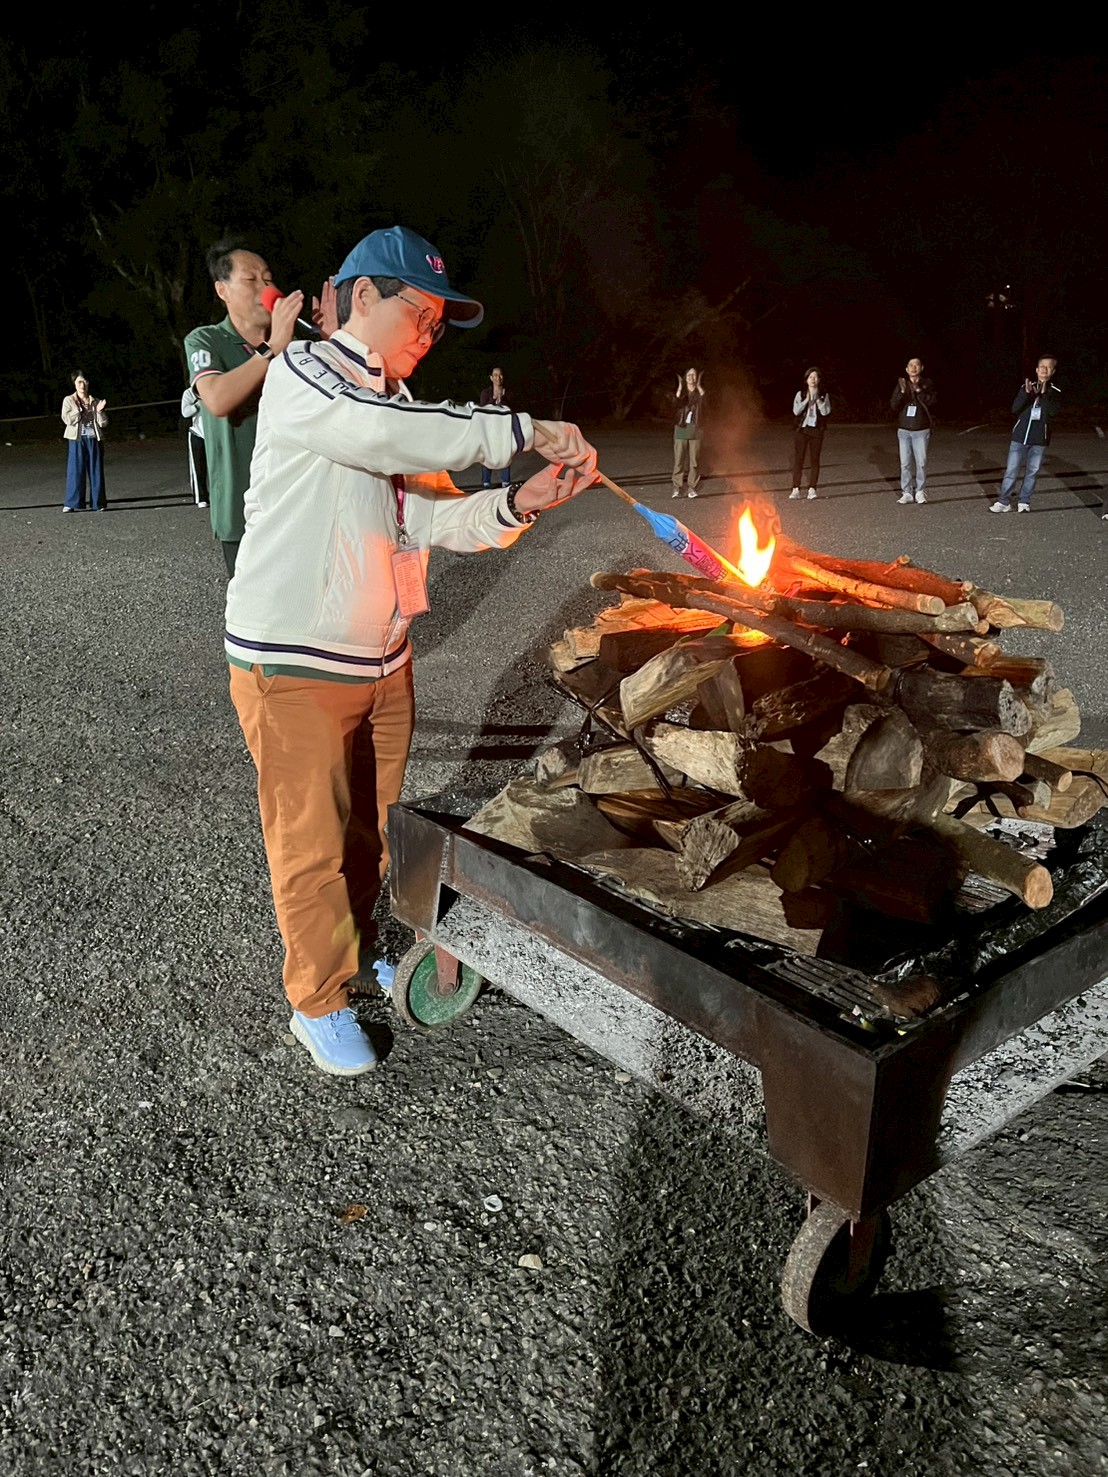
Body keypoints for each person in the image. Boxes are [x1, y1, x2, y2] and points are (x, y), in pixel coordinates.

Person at [224, 225, 597, 1078]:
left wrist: (521, 500)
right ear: (363, 296)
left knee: (371, 831)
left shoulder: (392, 405)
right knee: (311, 841)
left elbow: (427, 517)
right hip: (295, 661)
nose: (428, 334)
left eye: (437, 323)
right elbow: (381, 435)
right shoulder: (306, 373)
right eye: (419, 314)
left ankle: (356, 955)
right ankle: (317, 999)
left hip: (384, 660)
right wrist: (522, 428)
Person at [183, 240, 304, 575]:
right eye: (251, 280)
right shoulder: (206, 340)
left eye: (268, 279)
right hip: (241, 510)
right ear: (222, 290)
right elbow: (217, 399)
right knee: (252, 606)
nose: (265, 288)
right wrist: (271, 349)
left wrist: (332, 339)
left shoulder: (297, 347)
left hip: (297, 504)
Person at [989, 357, 1062, 514]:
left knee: (1032, 472)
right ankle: (1004, 502)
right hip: (1019, 437)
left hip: (1039, 440)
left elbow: (1053, 412)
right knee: (1011, 471)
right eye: (1041, 366)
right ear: (1036, 370)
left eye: (1048, 367)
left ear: (1053, 371)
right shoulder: (1026, 387)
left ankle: (1024, 501)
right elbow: (1014, 409)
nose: (1044, 369)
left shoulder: (1055, 391)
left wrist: (1044, 395)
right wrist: (1026, 394)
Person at [890, 357, 937, 505]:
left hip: (921, 429)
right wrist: (902, 392)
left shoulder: (927, 384)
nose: (913, 367)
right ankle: (907, 493)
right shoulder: (902, 384)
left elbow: (933, 402)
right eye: (910, 365)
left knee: (921, 462)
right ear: (906, 369)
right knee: (905, 463)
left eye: (916, 365)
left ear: (921, 368)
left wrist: (919, 390)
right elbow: (894, 405)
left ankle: (920, 491)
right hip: (904, 429)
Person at [61, 373, 108, 512]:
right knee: (75, 471)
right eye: (79, 382)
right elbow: (67, 419)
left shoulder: (95, 401)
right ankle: (72, 503)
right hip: (77, 439)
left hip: (93, 439)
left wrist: (99, 412)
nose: (82, 385)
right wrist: (78, 411)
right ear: (74, 384)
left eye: (85, 381)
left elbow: (103, 423)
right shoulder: (69, 400)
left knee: (96, 471)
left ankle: (98, 503)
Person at [789, 367, 831, 500]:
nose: (813, 379)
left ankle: (812, 489)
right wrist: (807, 400)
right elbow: (796, 411)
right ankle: (795, 488)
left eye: (815, 377)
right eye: (810, 377)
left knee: (814, 460)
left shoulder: (824, 394)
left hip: (816, 430)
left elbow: (825, 412)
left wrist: (818, 400)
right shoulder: (800, 394)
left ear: (819, 380)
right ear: (806, 379)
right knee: (799, 459)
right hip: (802, 429)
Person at [672, 367, 705, 498]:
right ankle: (677, 487)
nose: (691, 378)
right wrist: (680, 387)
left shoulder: (700, 393)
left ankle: (692, 488)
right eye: (689, 375)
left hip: (696, 430)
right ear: (685, 378)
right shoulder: (682, 393)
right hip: (681, 429)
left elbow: (706, 405)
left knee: (694, 462)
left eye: (694, 375)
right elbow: (675, 404)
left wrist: (700, 387)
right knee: (679, 460)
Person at [479, 367, 512, 487]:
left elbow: (511, 409)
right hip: (489, 429)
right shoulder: (486, 393)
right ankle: (486, 483)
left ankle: (506, 483)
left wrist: (502, 398)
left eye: (500, 375)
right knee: (487, 454)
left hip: (503, 429)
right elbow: (482, 409)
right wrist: (493, 399)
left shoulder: (508, 392)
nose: (498, 377)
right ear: (491, 377)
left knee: (505, 454)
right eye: (495, 375)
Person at [180, 384, 209, 507]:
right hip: (197, 433)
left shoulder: (213, 389)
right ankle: (201, 497)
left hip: (213, 435)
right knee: (198, 467)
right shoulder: (189, 393)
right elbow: (185, 413)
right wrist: (198, 404)